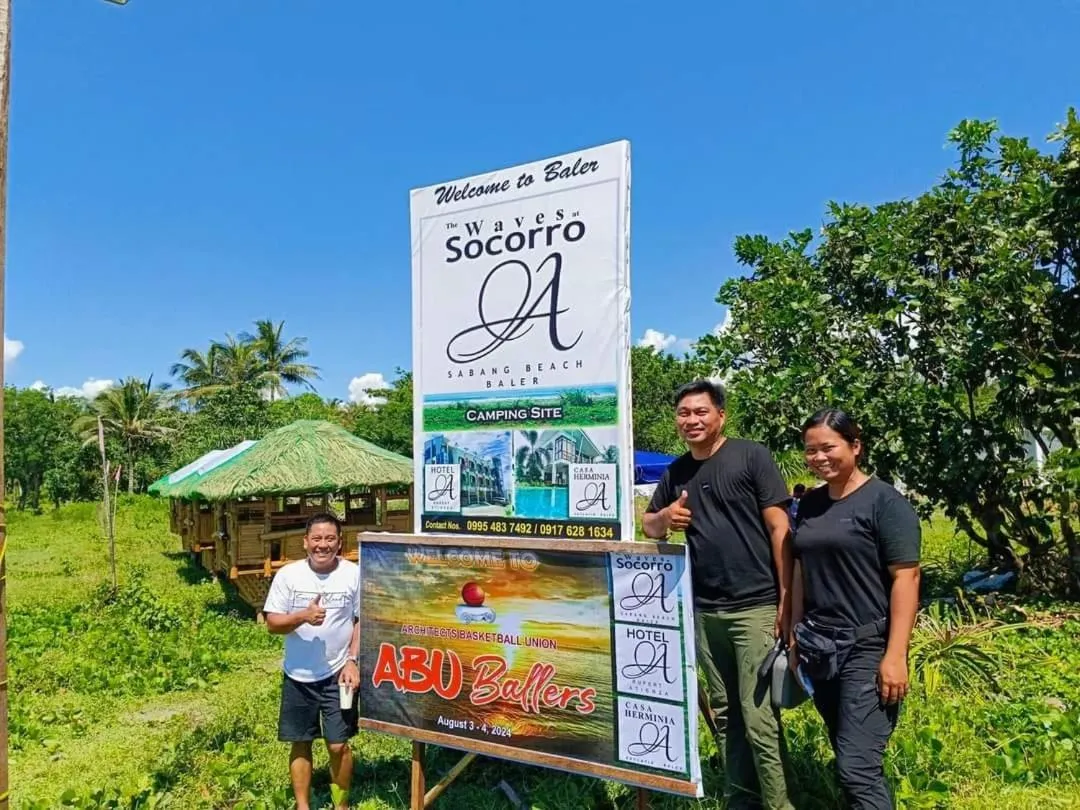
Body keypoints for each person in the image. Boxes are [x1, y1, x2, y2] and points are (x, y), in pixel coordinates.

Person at [643, 380, 795, 810]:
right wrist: (666, 516)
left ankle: (780, 802)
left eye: (700, 412)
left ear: (721, 415)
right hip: (705, 610)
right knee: (727, 714)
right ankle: (741, 799)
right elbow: (649, 523)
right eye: (683, 414)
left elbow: (780, 529)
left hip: (756, 605)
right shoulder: (675, 473)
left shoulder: (751, 456)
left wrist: (786, 600)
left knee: (760, 717)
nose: (691, 420)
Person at [789, 409, 921, 810]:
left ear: (855, 446)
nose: (819, 457)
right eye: (811, 450)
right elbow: (799, 568)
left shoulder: (885, 503)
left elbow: (907, 579)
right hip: (820, 646)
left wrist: (895, 655)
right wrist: (794, 631)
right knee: (847, 754)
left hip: (867, 647)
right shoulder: (809, 504)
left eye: (828, 447)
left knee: (857, 767)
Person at [264, 512, 361, 810]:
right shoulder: (289, 575)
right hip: (298, 675)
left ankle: (340, 805)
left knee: (338, 744)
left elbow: (361, 620)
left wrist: (352, 660)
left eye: (329, 539)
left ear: (339, 542)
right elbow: (272, 623)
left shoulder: (353, 573)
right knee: (301, 741)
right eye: (316, 539)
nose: (323, 545)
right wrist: (302, 617)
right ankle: (303, 806)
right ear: (305, 542)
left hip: (338, 675)